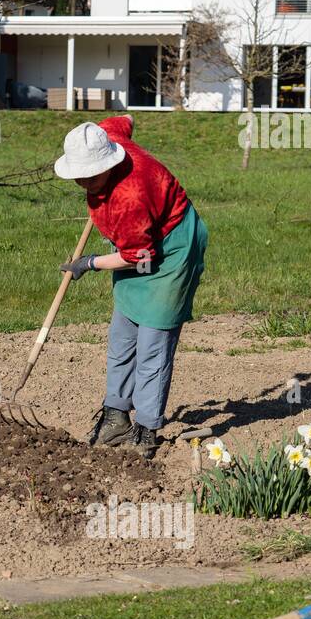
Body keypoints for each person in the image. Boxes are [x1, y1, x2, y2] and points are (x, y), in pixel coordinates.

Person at [53, 115, 208, 458]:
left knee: (153, 341)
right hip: (136, 243)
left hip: (170, 247)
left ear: (107, 164)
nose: (82, 181)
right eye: (79, 174)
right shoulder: (106, 135)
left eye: (90, 175)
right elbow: (127, 118)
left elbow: (140, 257)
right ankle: (115, 416)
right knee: (122, 335)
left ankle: (148, 427)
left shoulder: (128, 199)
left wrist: (90, 263)